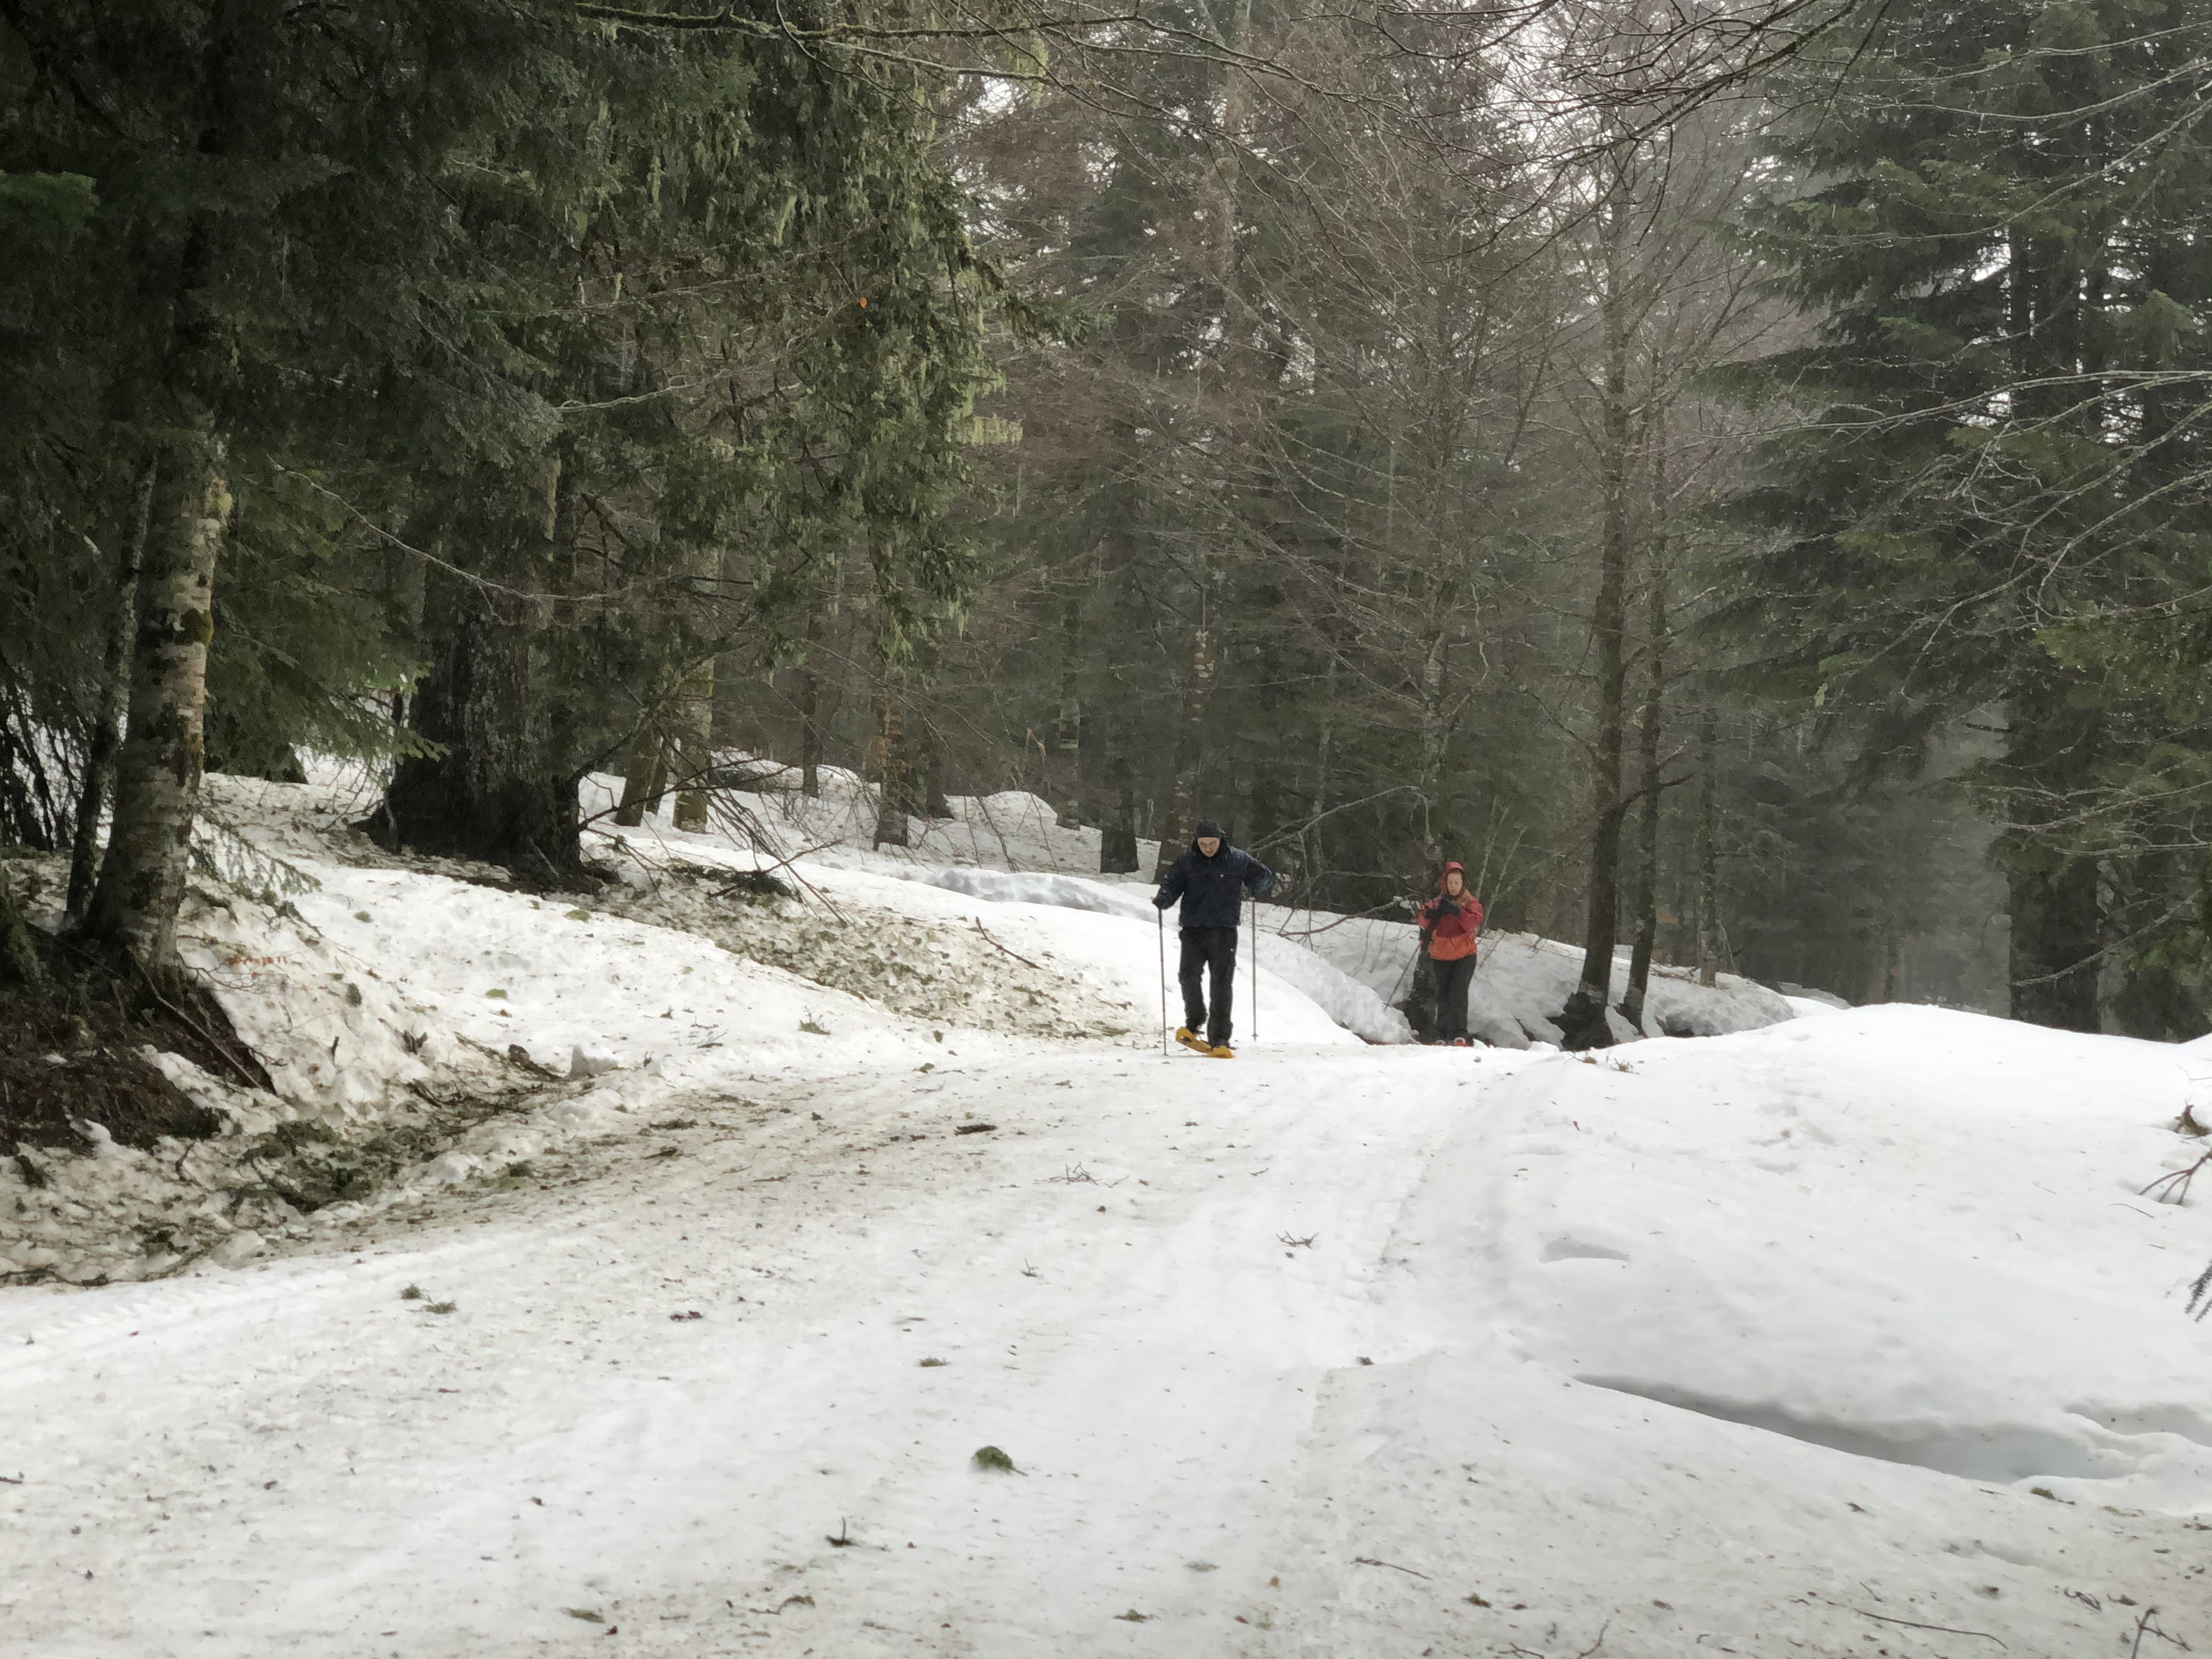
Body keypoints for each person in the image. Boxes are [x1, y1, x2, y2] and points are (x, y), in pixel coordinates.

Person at [1153, 817, 1274, 1057]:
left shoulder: (1237, 860)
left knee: (1221, 984)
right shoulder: (1186, 862)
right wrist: (1164, 898)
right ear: (1196, 842)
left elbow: (1265, 877)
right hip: (1193, 929)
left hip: (1224, 931)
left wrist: (1260, 882)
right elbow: (1172, 883)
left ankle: (1220, 1038)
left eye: (1212, 844)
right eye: (1203, 844)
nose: (1208, 848)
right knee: (1188, 976)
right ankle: (1195, 1020)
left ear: (1221, 840)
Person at [1417, 861, 1484, 1046]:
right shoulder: (1437, 903)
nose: (1453, 886)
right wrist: (1431, 916)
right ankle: (1443, 1034)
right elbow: (1422, 917)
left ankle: (1460, 1033)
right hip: (1440, 955)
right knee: (1443, 994)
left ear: (1463, 884)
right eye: (1450, 882)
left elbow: (1474, 921)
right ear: (1445, 883)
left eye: (1457, 882)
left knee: (1459, 992)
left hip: (1465, 955)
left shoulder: (1470, 903)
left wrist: (1457, 912)